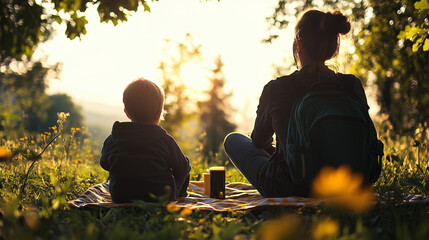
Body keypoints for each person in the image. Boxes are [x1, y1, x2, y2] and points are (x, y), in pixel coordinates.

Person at [224, 10, 373, 197]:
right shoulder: (352, 85)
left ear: (299, 43)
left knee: (233, 140)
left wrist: (284, 149)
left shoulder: (278, 88)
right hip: (353, 184)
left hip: (291, 187)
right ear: (333, 46)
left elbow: (258, 140)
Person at [100, 79, 191, 203]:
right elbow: (182, 168)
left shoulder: (114, 138)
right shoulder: (165, 140)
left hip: (121, 197)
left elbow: (104, 164)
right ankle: (179, 197)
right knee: (185, 165)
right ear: (159, 113)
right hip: (160, 197)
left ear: (126, 112)